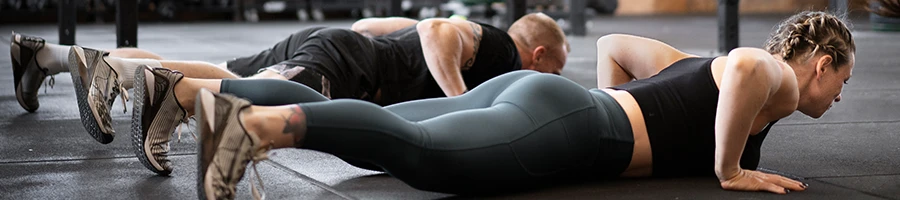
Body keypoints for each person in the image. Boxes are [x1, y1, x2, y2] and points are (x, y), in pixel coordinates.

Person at [182, 11, 853, 199]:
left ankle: (189, 92)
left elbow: (617, 42)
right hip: (571, 124)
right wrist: (730, 168)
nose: (841, 94)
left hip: (547, 100)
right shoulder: (778, 79)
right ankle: (258, 129)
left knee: (382, 135)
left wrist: (614, 96)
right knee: (427, 159)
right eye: (843, 80)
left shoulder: (687, 70)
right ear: (821, 63)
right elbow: (742, 66)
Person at [9, 13, 568, 175]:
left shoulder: (491, 46)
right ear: (539, 56)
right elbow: (434, 29)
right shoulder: (502, 50)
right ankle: (168, 99)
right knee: (269, 95)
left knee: (214, 67)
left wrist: (340, 45)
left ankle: (54, 58)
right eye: (557, 69)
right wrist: (455, 99)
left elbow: (378, 23)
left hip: (336, 46)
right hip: (345, 63)